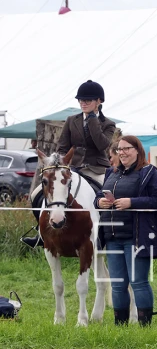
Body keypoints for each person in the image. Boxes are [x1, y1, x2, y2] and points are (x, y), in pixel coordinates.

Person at [22, 80, 117, 248]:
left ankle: (105, 234)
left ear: (99, 101)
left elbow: (102, 145)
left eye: (87, 100)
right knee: (37, 194)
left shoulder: (108, 124)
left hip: (96, 169)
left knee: (109, 196)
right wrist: (62, 164)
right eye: (81, 100)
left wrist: (92, 119)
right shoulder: (71, 120)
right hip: (72, 168)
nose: (83, 103)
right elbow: (62, 147)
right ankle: (41, 233)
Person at [95, 136, 157, 326]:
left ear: (137, 150)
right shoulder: (111, 172)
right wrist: (99, 202)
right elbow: (98, 196)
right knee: (117, 285)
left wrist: (131, 202)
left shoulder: (149, 172)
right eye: (119, 149)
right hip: (112, 237)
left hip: (136, 237)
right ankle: (121, 326)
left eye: (126, 148)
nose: (122, 152)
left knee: (138, 282)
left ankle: (144, 326)